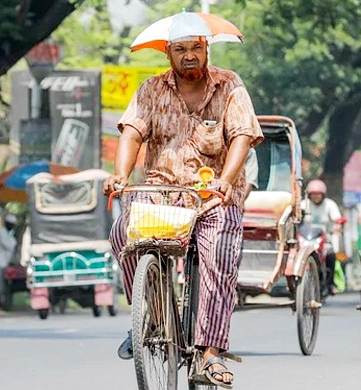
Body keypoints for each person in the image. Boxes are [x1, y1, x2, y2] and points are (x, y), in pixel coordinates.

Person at [103, 34, 263, 388]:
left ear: (207, 50)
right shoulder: (150, 90)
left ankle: (210, 354)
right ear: (168, 54)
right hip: (162, 193)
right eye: (180, 50)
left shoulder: (230, 85)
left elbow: (241, 136)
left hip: (212, 197)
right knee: (121, 233)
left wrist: (226, 179)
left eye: (196, 48)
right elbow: (131, 134)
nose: (189, 56)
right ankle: (151, 318)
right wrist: (120, 174)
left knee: (220, 251)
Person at [301, 179, 343, 295]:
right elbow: (297, 218)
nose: (315, 197)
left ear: (323, 195)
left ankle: (330, 283)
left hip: (325, 239)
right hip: (307, 239)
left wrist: (337, 226)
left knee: (331, 254)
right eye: (313, 195)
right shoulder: (304, 205)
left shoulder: (330, 205)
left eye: (318, 195)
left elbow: (337, 219)